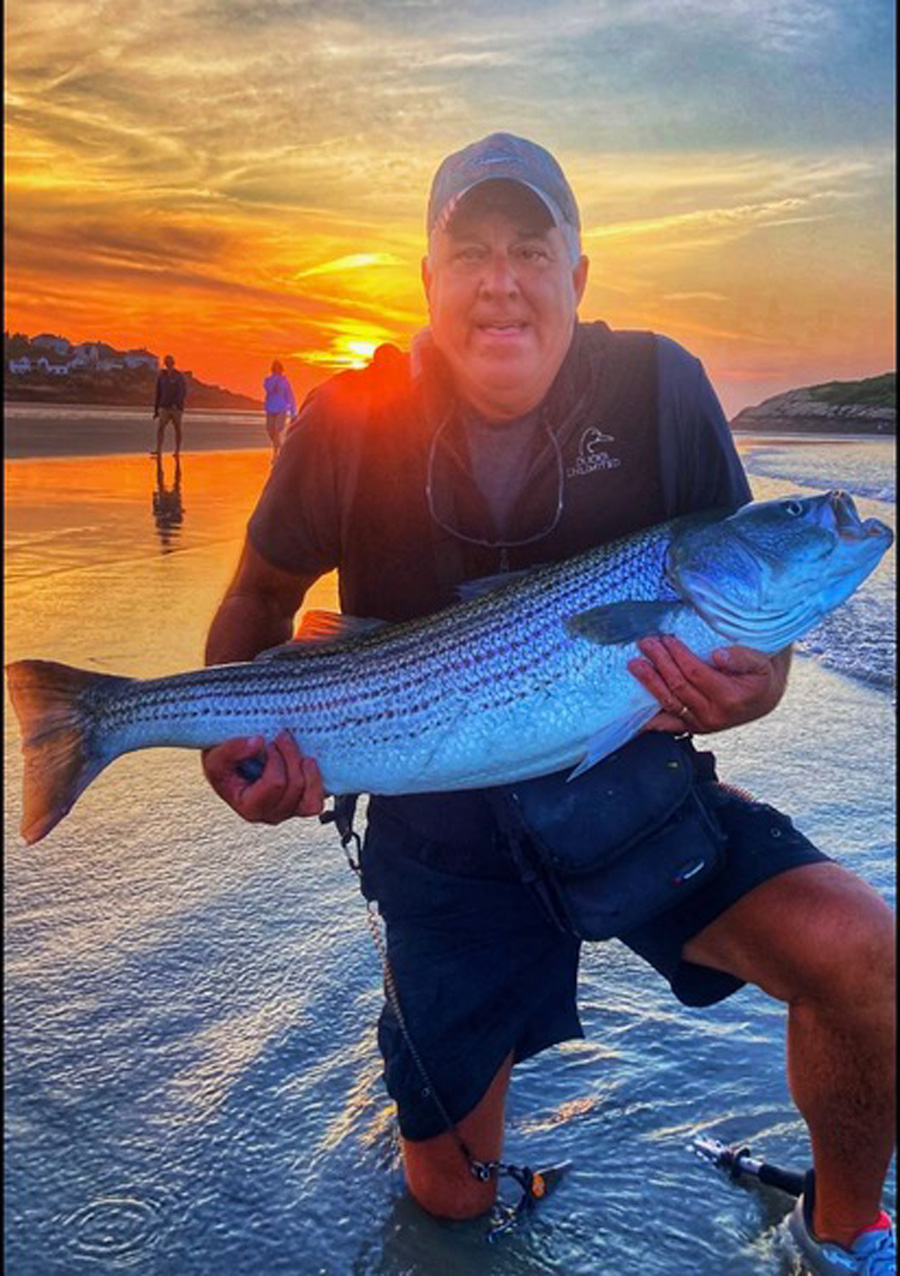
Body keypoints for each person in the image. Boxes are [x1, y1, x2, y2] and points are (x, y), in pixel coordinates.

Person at [200, 134, 895, 1274]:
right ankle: (478, 1154)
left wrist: (744, 690)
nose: (500, 279)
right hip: (442, 844)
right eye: (469, 251)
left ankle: (848, 1236)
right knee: (451, 1201)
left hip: (640, 808)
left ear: (576, 275)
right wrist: (238, 753)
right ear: (426, 281)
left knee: (861, 951)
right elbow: (260, 597)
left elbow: (752, 651)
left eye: (531, 248)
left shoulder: (662, 387)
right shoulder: (349, 418)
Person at [152, 354, 187, 457]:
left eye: (170, 361)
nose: (168, 363)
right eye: (166, 362)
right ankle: (158, 449)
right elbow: (158, 392)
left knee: (177, 429)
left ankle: (177, 451)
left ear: (173, 363)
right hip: (164, 407)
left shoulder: (179, 376)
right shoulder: (161, 376)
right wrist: (156, 410)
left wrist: (177, 404)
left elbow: (182, 392)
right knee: (161, 428)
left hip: (176, 408)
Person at [262, 359, 297, 458]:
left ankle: (276, 454)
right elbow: (269, 389)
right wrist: (276, 379)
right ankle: (281, 448)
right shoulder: (268, 380)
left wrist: (293, 413)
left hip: (282, 408)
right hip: (270, 408)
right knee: (270, 431)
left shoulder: (285, 381)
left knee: (277, 430)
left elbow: (290, 396)